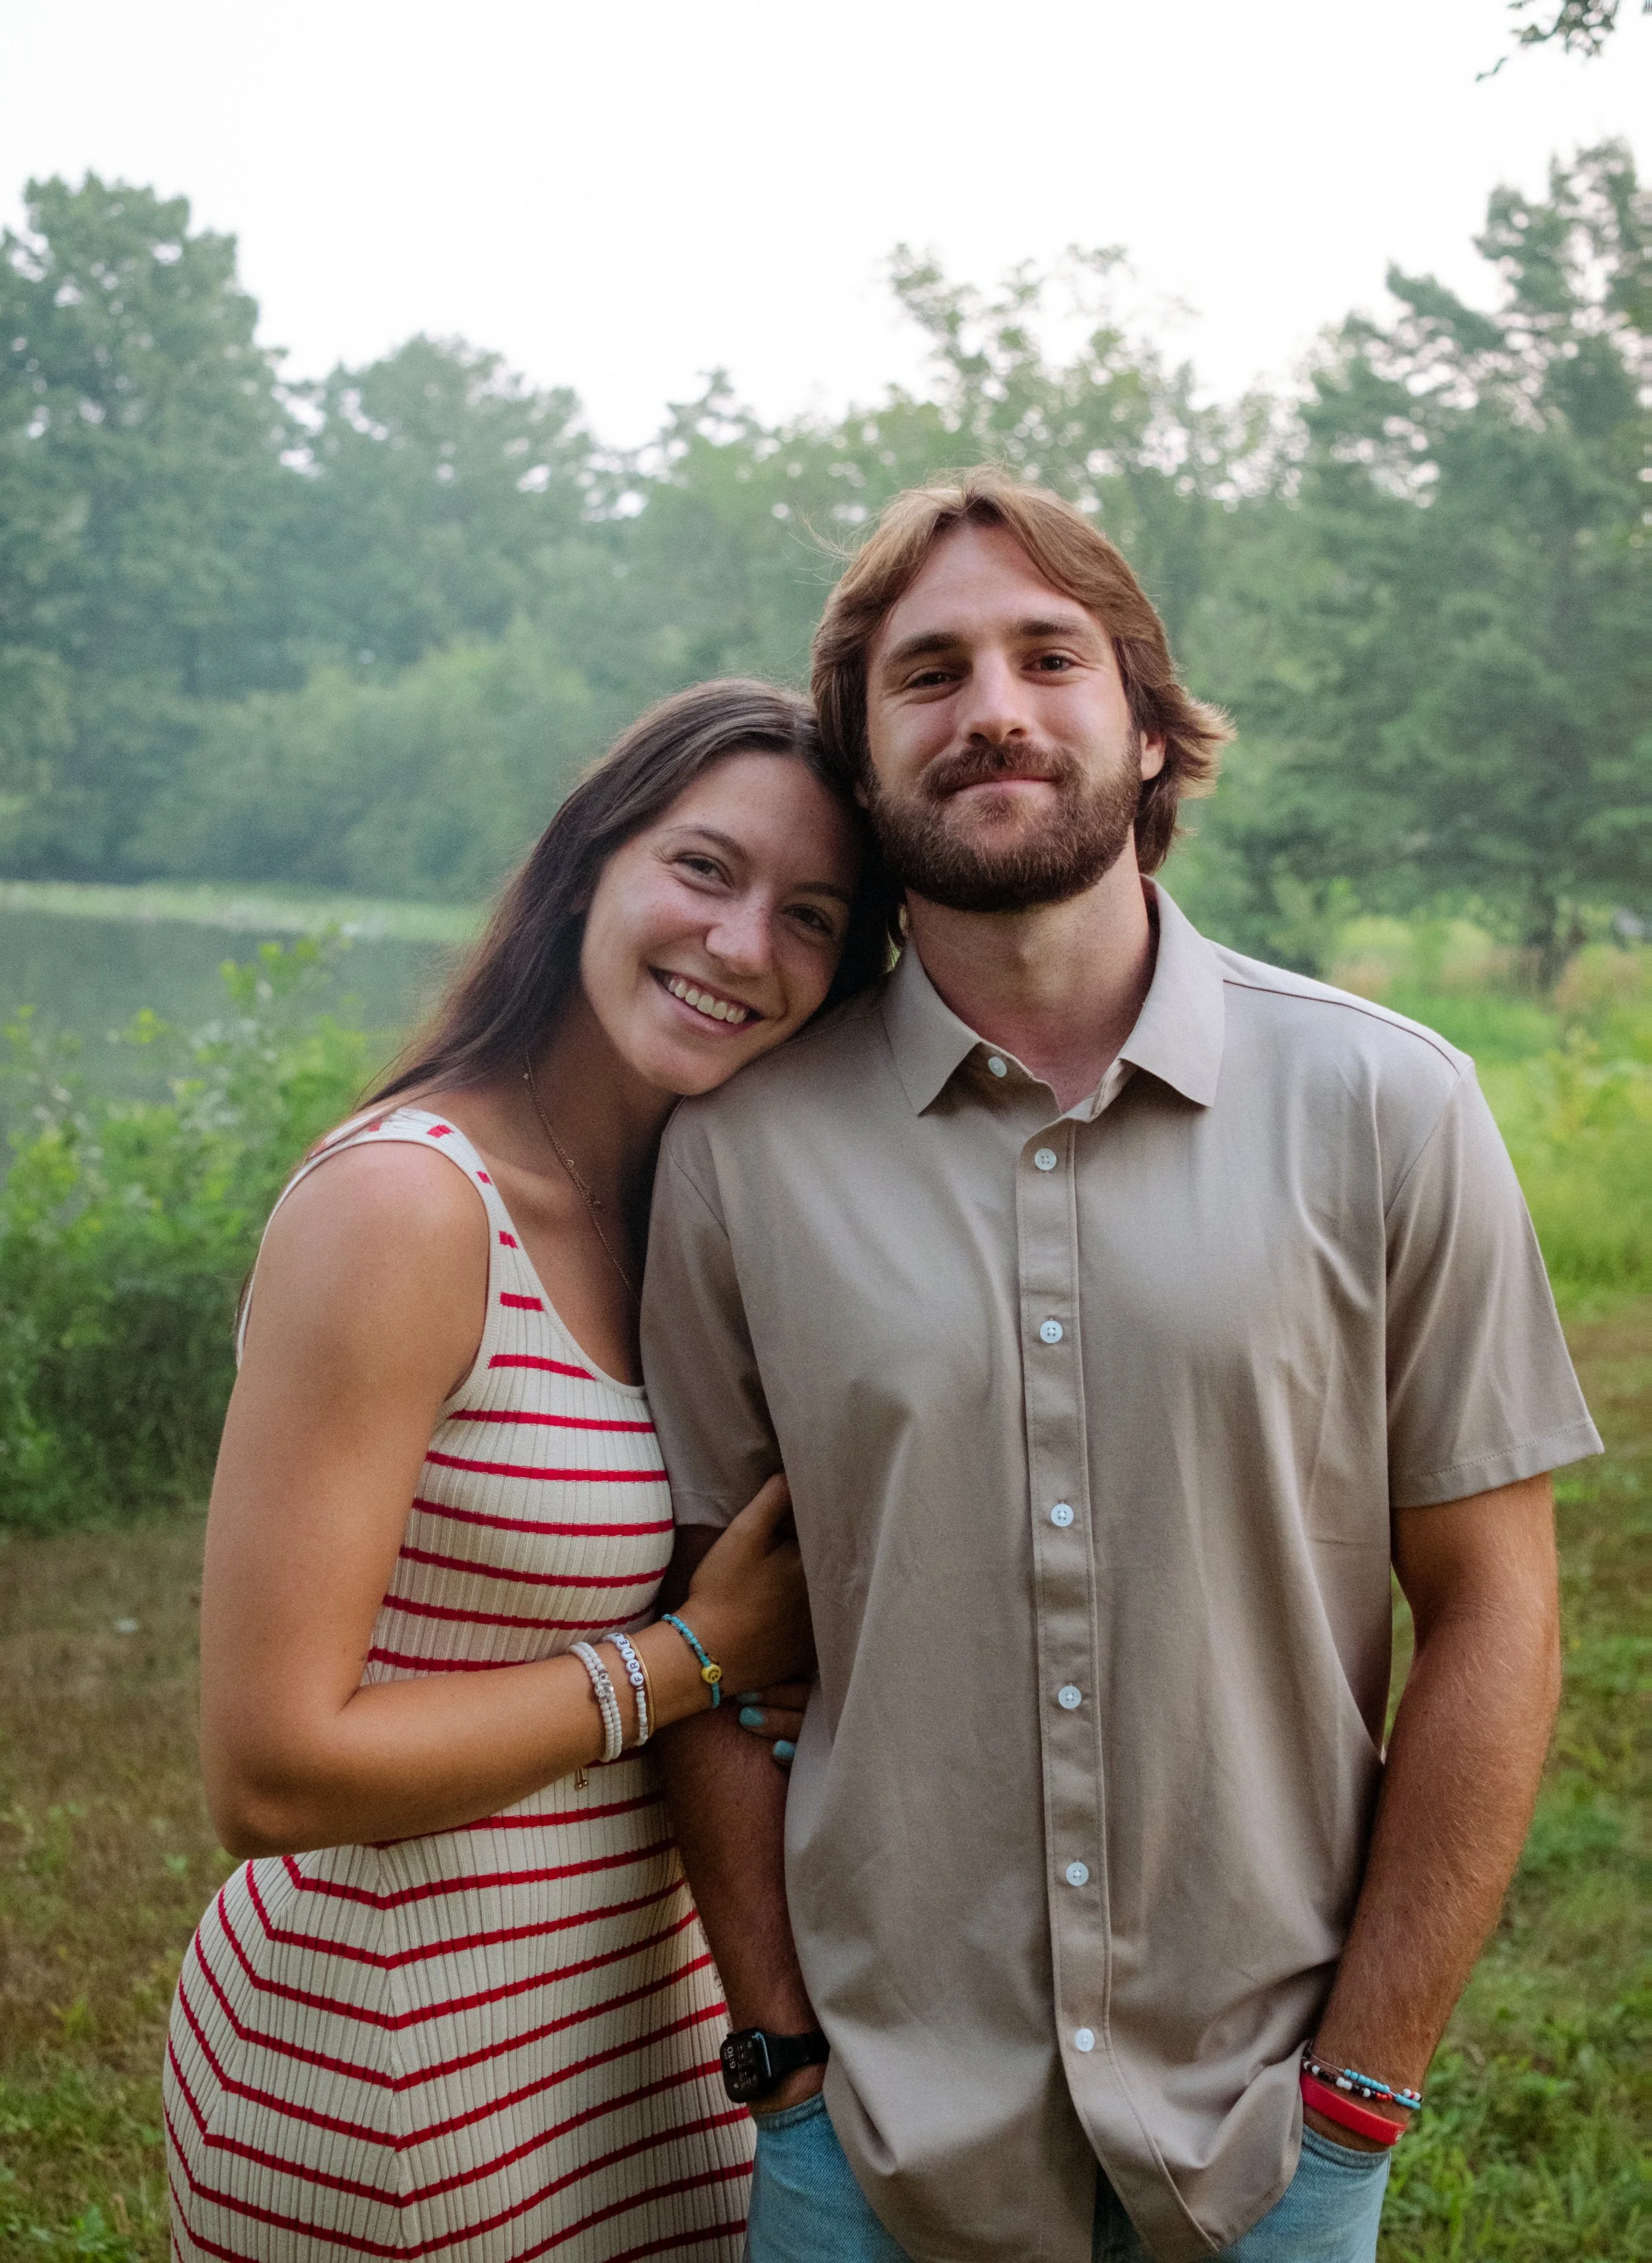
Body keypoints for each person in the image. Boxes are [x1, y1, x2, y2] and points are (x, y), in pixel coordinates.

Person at [642, 473, 1602, 2263]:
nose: (990, 704)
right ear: (859, 763)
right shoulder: (740, 1154)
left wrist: (1358, 2095)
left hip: (1267, 2147)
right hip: (866, 2150)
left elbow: (1494, 1612)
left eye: (1046, 655)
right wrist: (781, 2061)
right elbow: (699, 1630)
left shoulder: (1388, 1104)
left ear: (1148, 723)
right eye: (924, 672)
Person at [164, 679, 894, 2263]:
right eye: (701, 870)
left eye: (812, 916)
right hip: (394, 2072)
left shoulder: (704, 1218)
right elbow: (268, 1769)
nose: (741, 944)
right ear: (588, 868)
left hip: (659, 2055)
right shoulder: (408, 1214)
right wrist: (690, 1661)